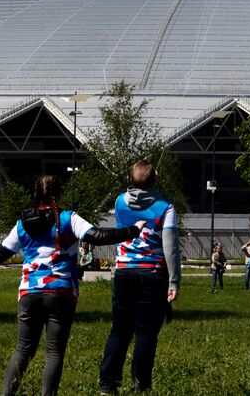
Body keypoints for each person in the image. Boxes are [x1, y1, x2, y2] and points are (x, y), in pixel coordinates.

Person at [0, 173, 142, 396]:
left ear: (35, 194)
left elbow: (0, 253)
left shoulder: (23, 223)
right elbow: (96, 236)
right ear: (60, 194)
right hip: (61, 292)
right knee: (54, 352)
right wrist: (132, 230)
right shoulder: (68, 218)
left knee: (23, 349)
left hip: (29, 292)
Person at [100, 159, 180, 394]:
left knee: (119, 330)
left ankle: (107, 383)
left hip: (124, 271)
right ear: (155, 179)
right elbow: (171, 248)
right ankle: (140, 384)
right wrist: (174, 281)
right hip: (152, 273)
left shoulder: (119, 202)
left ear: (130, 179)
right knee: (146, 333)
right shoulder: (166, 207)